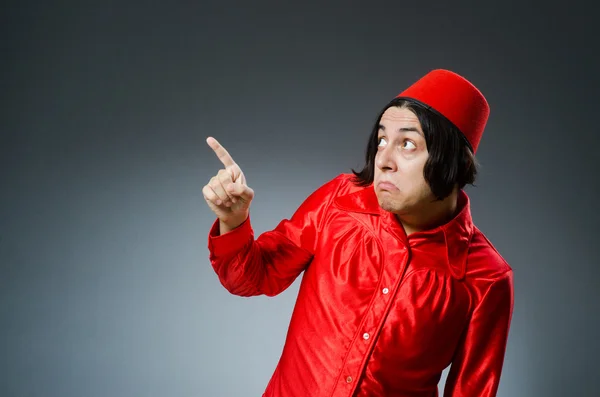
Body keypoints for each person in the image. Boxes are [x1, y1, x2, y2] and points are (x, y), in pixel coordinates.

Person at [203, 69, 514, 397]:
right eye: (382, 140)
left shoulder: (487, 278)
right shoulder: (338, 202)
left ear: (454, 162)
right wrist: (233, 221)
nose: (384, 160)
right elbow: (255, 277)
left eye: (407, 144)